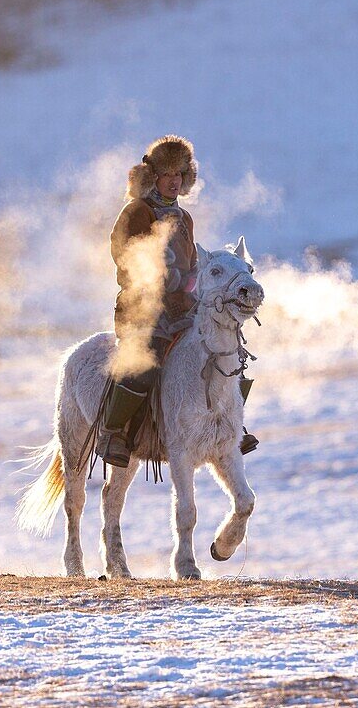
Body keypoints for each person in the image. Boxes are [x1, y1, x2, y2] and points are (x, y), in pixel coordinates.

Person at [96, 135, 258, 468]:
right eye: (167, 174)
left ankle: (231, 427)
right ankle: (114, 433)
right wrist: (163, 278)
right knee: (144, 363)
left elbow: (191, 264)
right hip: (142, 311)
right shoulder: (137, 212)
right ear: (152, 176)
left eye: (179, 175)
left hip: (184, 310)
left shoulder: (185, 219)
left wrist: (202, 288)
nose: (174, 181)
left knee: (228, 353)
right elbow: (124, 257)